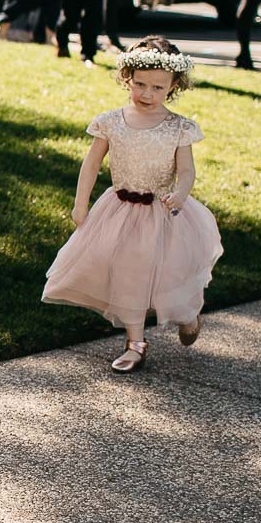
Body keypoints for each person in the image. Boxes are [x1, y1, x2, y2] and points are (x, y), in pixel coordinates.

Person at [43, 37, 221, 374]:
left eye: (157, 87)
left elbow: (186, 170)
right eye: (139, 84)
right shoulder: (111, 121)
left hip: (163, 211)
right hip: (119, 209)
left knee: (168, 274)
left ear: (174, 86)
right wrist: (81, 204)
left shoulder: (178, 128)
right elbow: (91, 164)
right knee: (127, 272)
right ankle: (135, 343)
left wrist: (180, 195)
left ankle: (188, 314)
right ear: (127, 77)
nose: (147, 93)